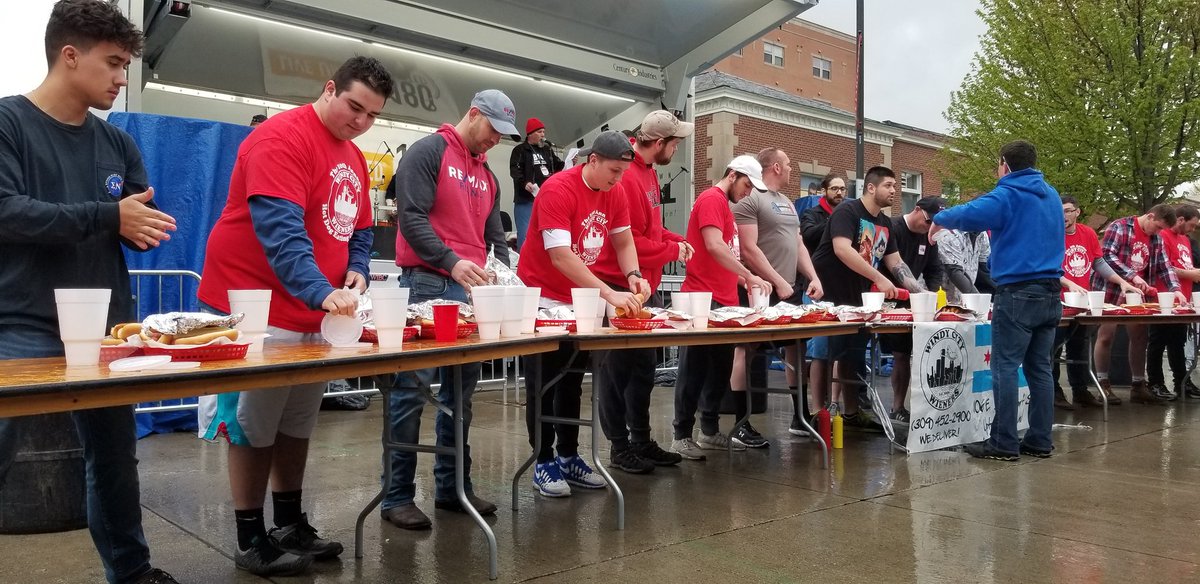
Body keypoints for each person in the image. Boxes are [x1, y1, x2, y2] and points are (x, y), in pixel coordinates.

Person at [0, 3, 179, 583]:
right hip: (21, 321)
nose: (122, 77)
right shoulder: (7, 124)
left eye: (126, 65)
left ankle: (132, 572)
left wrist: (141, 225)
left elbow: (134, 217)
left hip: (106, 328)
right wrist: (108, 216)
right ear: (70, 56)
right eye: (114, 63)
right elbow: (7, 212)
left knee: (114, 461)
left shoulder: (117, 143)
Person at [196, 56, 394, 575]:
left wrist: (355, 270)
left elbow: (360, 229)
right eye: (354, 107)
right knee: (251, 422)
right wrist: (319, 290)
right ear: (329, 89)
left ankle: (288, 522)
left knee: (297, 419)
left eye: (373, 115)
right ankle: (249, 536)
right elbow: (280, 230)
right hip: (254, 306)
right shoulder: (281, 139)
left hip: (313, 311)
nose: (361, 121)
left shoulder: (353, 156)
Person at [381, 90, 516, 529]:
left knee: (461, 394)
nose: (495, 139)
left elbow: (495, 236)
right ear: (473, 114)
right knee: (410, 390)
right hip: (427, 282)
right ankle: (397, 495)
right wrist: (451, 261)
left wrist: (501, 276)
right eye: (493, 129)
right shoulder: (428, 152)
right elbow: (411, 217)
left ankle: (453, 485)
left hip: (471, 290)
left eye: (503, 134)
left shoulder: (487, 174)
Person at [517, 131, 648, 497]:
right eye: (614, 171)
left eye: (623, 172)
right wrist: (608, 292)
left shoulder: (614, 192)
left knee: (572, 378)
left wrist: (633, 274)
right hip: (542, 295)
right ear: (593, 160)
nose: (618, 179)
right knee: (543, 381)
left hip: (578, 297)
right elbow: (560, 256)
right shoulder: (558, 189)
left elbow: (623, 240)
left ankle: (569, 455)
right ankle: (543, 460)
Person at [930, 140, 1065, 461]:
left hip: (1018, 292)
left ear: (1004, 164)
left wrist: (940, 217)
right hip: (1051, 292)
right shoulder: (1052, 195)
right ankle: (1039, 440)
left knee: (1004, 366)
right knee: (1040, 368)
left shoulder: (1008, 194)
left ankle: (1003, 443)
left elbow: (970, 212)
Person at [591, 110, 693, 474]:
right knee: (617, 371)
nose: (677, 150)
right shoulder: (628, 176)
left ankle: (640, 439)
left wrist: (676, 241)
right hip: (618, 284)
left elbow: (652, 229)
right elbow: (628, 240)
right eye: (675, 144)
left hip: (641, 285)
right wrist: (670, 250)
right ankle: (620, 446)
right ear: (660, 143)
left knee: (643, 369)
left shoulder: (648, 172)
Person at [670, 156, 774, 461]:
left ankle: (709, 429)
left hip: (724, 300)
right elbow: (714, 246)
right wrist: (749, 275)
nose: (747, 192)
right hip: (703, 298)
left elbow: (723, 253)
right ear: (732, 175)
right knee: (694, 368)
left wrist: (743, 280)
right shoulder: (711, 199)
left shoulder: (724, 206)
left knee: (720, 368)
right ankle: (681, 434)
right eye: (746, 185)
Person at [809, 166, 918, 429]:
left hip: (857, 299)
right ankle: (816, 414)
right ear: (871, 187)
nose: (894, 191)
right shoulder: (847, 212)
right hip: (826, 293)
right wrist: (879, 278)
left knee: (852, 355)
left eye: (895, 186)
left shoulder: (885, 223)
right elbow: (842, 249)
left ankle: (851, 413)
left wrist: (920, 292)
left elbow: (896, 263)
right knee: (823, 354)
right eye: (888, 185)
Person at [730, 147, 823, 448]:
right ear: (776, 167)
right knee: (746, 348)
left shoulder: (787, 202)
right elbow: (748, 249)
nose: (792, 169)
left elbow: (798, 243)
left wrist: (813, 276)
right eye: (788, 164)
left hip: (788, 288)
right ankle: (740, 423)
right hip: (758, 289)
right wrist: (777, 281)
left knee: (797, 346)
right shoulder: (751, 197)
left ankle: (800, 415)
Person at [1093, 204, 1186, 406]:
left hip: (1137, 293)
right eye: (1158, 227)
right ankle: (1103, 383)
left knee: (1139, 336)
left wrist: (1175, 289)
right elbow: (1106, 255)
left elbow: (1165, 266)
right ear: (1150, 216)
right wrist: (1131, 276)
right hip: (1111, 289)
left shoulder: (1156, 238)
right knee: (1106, 336)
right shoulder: (1119, 227)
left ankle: (1138, 384)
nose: (1158, 232)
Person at [1054, 196, 1138, 409]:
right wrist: (1068, 283)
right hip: (1058, 302)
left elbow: (1098, 262)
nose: (1063, 216)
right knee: (1053, 348)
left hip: (1082, 303)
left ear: (1077, 212)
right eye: (1059, 211)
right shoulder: (1051, 233)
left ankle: (1080, 390)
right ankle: (1054, 392)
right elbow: (1047, 267)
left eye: (1067, 211)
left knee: (1079, 347)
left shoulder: (1088, 233)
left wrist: (1122, 282)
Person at [879, 197, 945, 422]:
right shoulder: (893, 227)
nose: (930, 227)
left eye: (936, 224)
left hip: (912, 301)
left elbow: (934, 269)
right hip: (883, 297)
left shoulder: (929, 237)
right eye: (928, 221)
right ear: (917, 210)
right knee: (852, 350)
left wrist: (932, 294)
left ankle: (898, 406)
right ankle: (842, 401)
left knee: (903, 353)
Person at [799, 172, 847, 434]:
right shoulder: (812, 214)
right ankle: (818, 409)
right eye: (835, 188)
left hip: (841, 288)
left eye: (843, 189)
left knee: (839, 350)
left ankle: (836, 403)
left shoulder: (848, 214)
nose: (839, 193)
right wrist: (835, 222)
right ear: (824, 191)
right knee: (819, 350)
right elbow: (808, 236)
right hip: (817, 288)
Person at [1147, 204, 1200, 400]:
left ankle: (1182, 381)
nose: (1192, 229)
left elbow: (1184, 264)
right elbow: (1165, 266)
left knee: (1178, 342)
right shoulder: (1163, 235)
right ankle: (1155, 382)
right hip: (1164, 297)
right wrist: (1191, 274)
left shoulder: (1185, 240)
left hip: (1182, 298)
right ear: (1180, 219)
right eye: (1191, 225)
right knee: (1158, 341)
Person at [509, 117, 563, 250]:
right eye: (539, 132)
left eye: (543, 131)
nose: (543, 135)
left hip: (545, 198)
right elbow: (515, 170)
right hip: (526, 199)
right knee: (525, 234)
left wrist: (569, 162)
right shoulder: (520, 150)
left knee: (547, 233)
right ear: (530, 133)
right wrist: (524, 182)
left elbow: (557, 166)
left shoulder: (547, 150)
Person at [938, 229, 993, 303]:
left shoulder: (982, 233)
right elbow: (954, 272)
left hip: (966, 300)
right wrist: (978, 300)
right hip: (943, 298)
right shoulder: (949, 233)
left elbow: (984, 269)